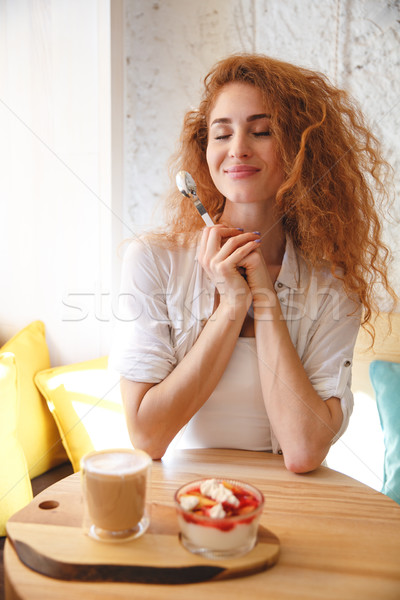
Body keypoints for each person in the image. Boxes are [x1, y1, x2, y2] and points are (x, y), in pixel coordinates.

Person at [110, 54, 396, 472]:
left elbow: (303, 450)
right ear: (205, 150)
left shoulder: (334, 284)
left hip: (291, 506)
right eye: (221, 134)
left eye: (261, 131)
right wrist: (230, 306)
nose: (238, 149)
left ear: (302, 150)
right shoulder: (153, 261)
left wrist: (263, 296)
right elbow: (147, 437)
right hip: (185, 501)